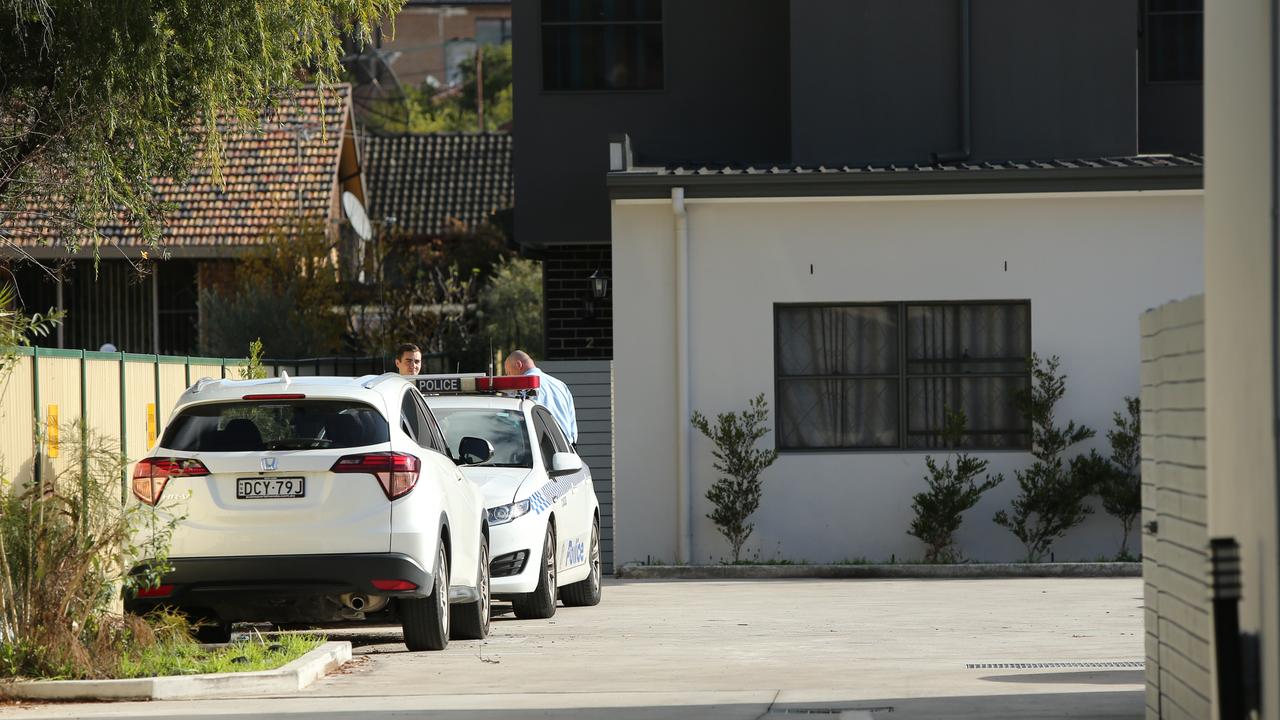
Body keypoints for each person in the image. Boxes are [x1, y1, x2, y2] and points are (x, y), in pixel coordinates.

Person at [504, 350, 577, 445]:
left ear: (518, 365)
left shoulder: (520, 387)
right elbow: (572, 428)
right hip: (567, 449)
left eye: (509, 372)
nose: (509, 376)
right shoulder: (560, 385)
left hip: (539, 450)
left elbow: (514, 423)